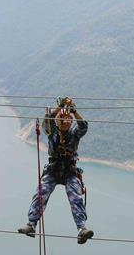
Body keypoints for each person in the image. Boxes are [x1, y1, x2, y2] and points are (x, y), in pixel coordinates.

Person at [19, 97, 94, 244]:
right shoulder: (51, 131)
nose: (65, 122)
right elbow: (48, 119)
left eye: (68, 120)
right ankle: (31, 225)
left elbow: (83, 126)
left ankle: (81, 229)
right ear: (58, 120)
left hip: (70, 170)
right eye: (62, 119)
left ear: (71, 122)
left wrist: (74, 111)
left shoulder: (74, 133)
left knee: (75, 196)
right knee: (41, 192)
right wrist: (60, 107)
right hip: (53, 169)